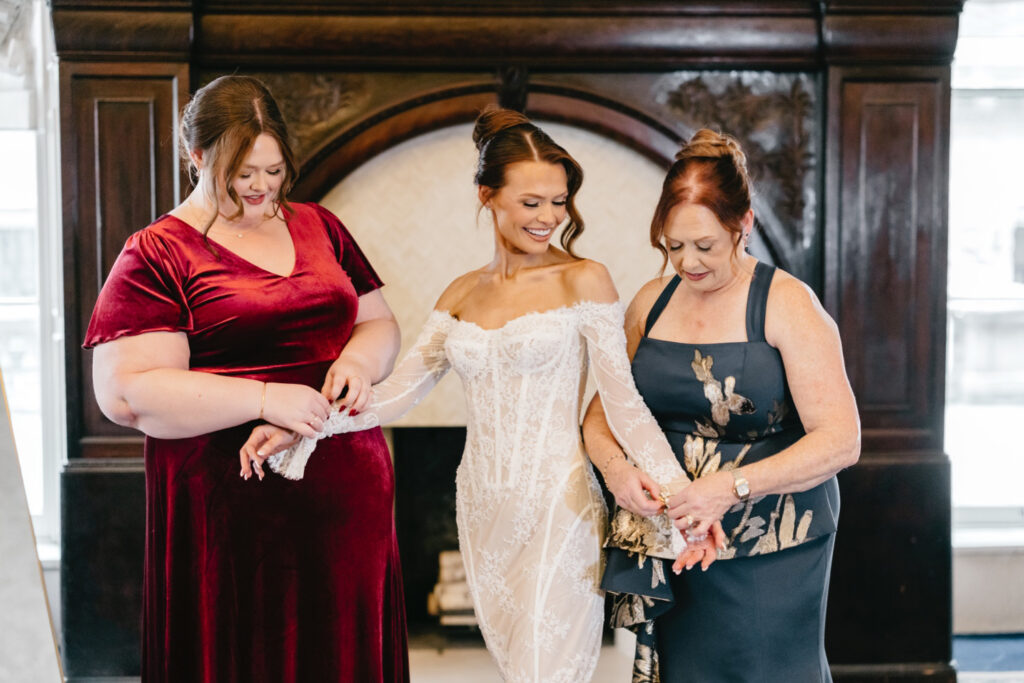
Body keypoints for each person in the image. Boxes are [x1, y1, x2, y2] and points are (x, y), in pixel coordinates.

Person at [240, 108, 718, 683]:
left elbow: (624, 405)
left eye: (559, 202)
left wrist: (684, 498)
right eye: (531, 202)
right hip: (482, 507)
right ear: (488, 196)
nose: (549, 218)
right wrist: (302, 422)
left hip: (558, 507)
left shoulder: (584, 279)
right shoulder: (461, 293)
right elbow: (396, 395)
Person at [84, 75, 408, 682]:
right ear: (198, 156)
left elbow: (380, 324)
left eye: (275, 171)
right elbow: (127, 393)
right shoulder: (157, 253)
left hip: (345, 491)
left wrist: (358, 364)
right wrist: (264, 398)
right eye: (243, 173)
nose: (262, 189)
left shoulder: (320, 226)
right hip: (231, 506)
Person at [582, 129, 861, 682]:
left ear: (745, 224)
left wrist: (728, 489)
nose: (687, 262)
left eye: (705, 246)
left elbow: (841, 440)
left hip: (774, 539)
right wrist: (617, 473)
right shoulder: (650, 303)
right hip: (676, 537)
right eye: (673, 245)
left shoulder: (787, 304)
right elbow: (601, 415)